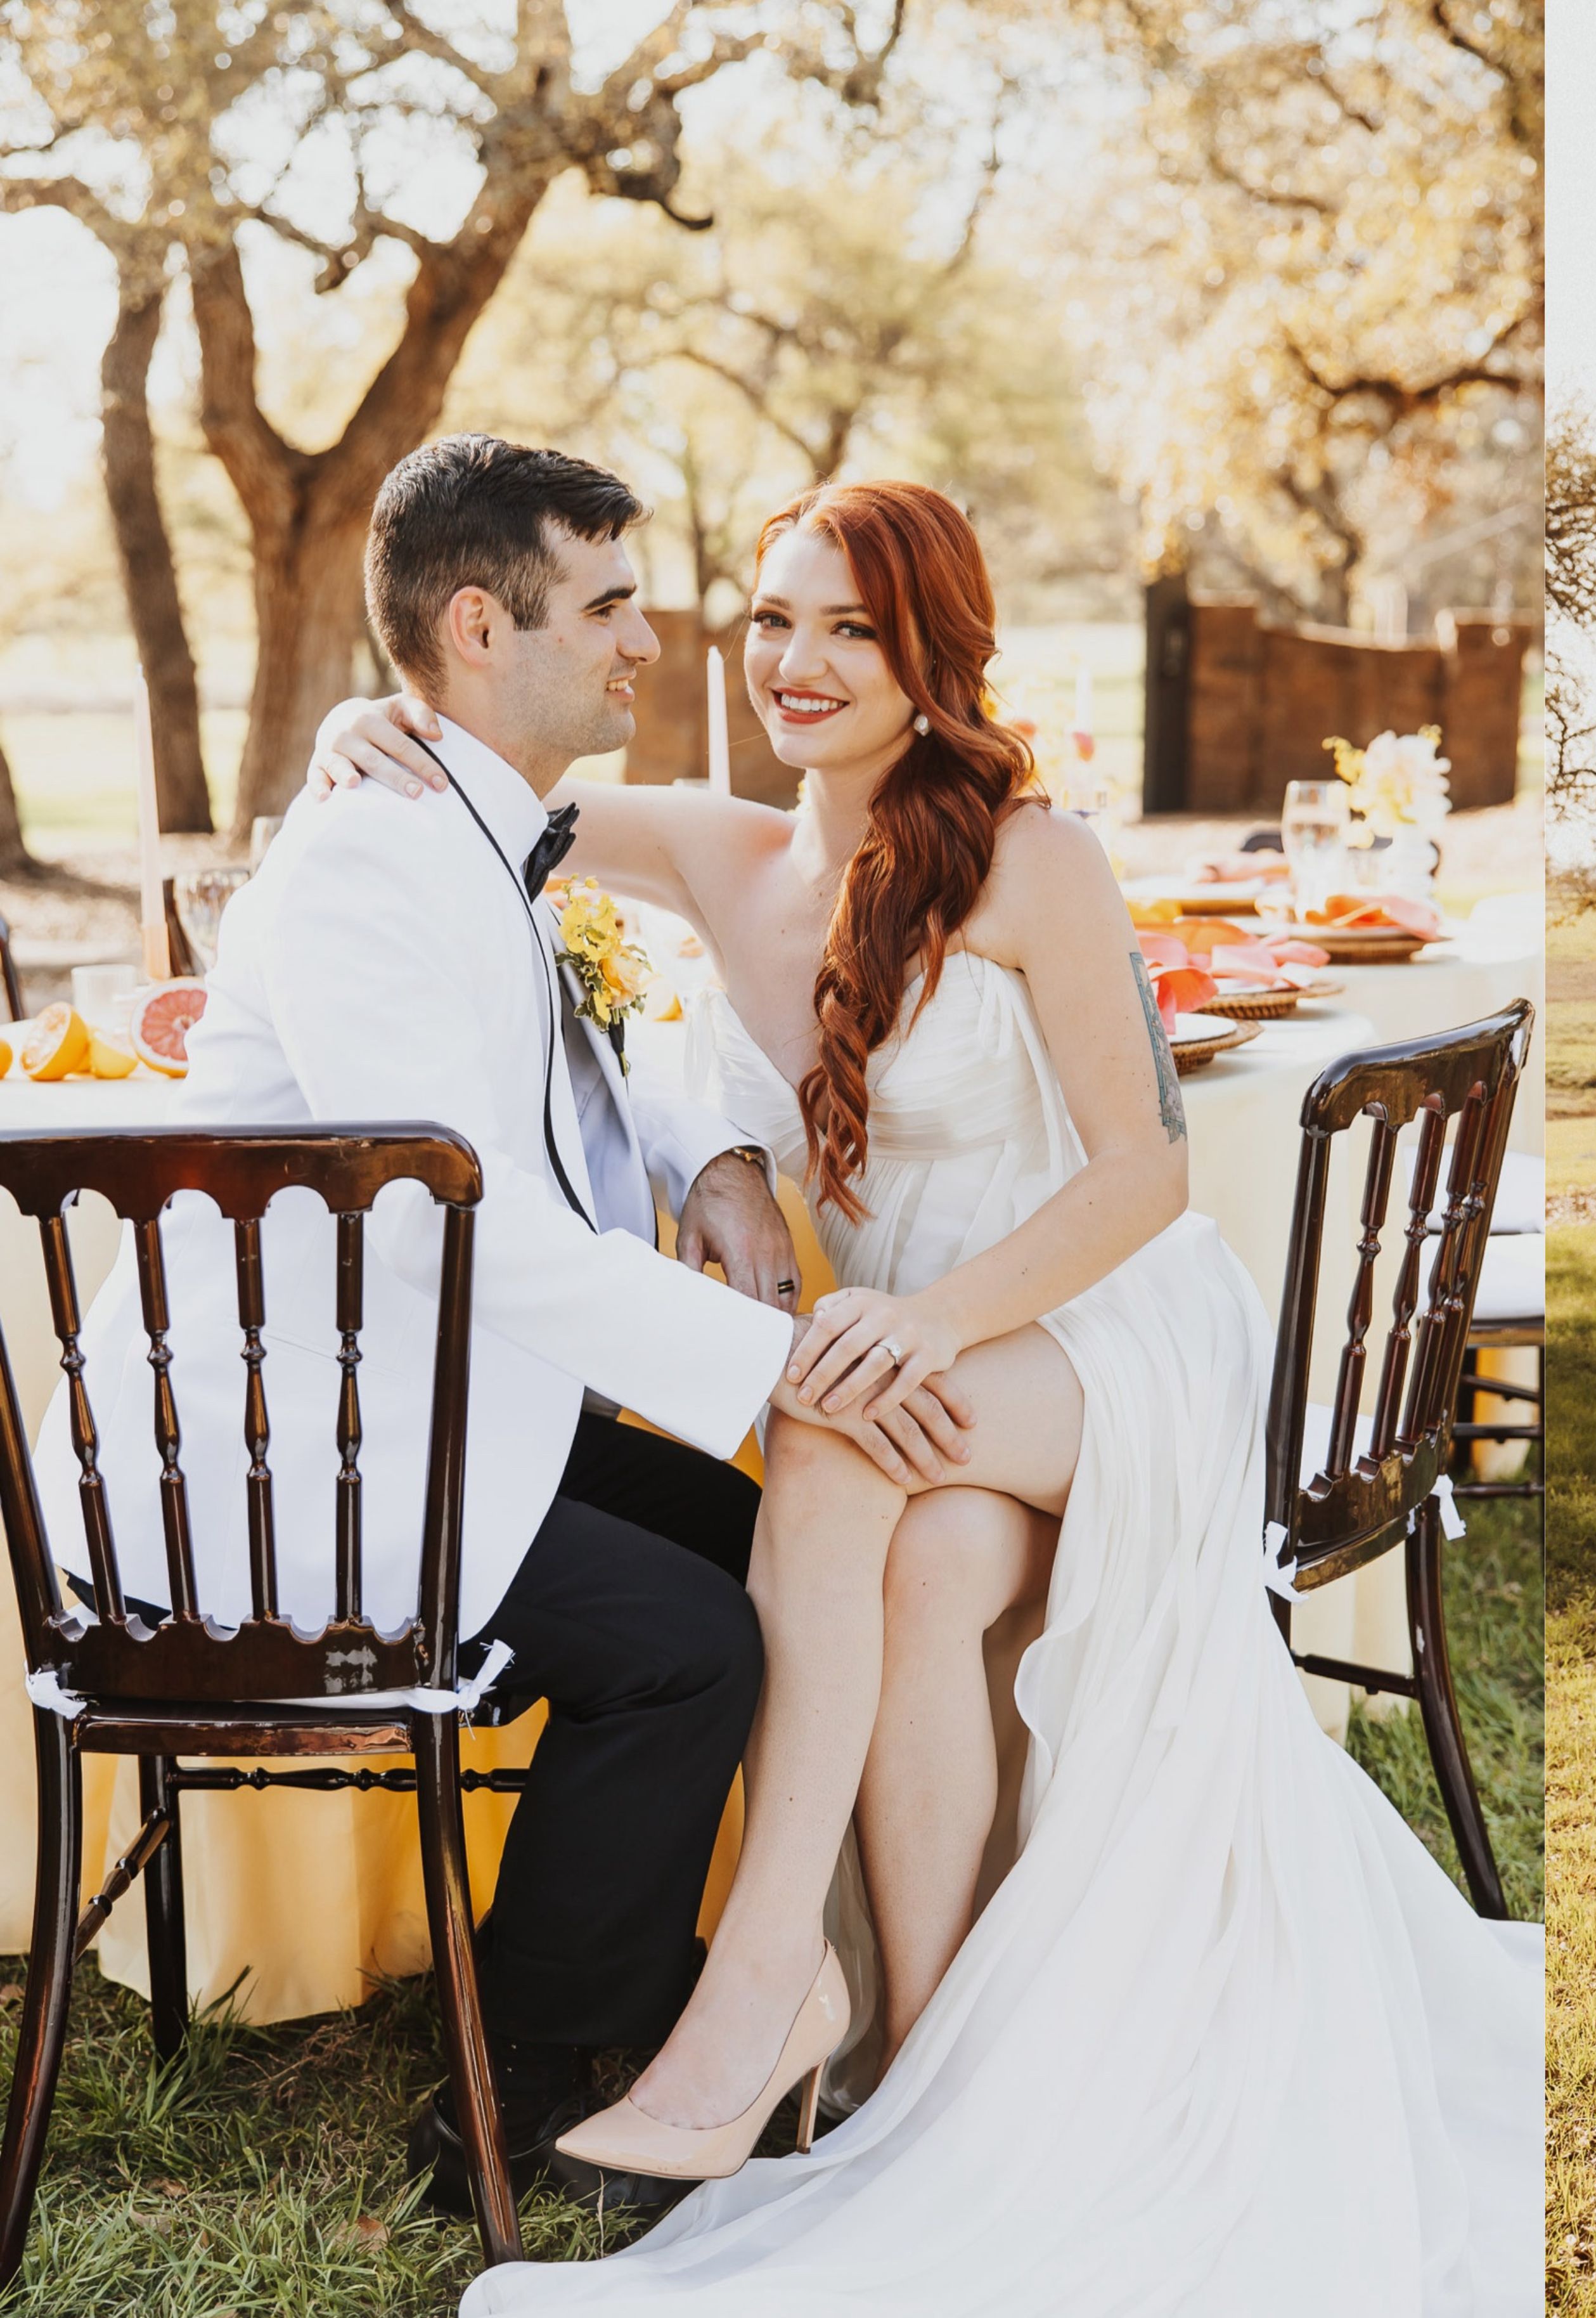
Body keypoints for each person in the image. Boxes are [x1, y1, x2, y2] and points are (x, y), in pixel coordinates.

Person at [310, 460, 1541, 2315]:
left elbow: (1146, 1178)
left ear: (934, 659)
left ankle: (765, 1997)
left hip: (1096, 1322)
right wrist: (360, 716)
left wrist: (944, 1322)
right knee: (928, 1567)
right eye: (776, 621)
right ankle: (938, 2045)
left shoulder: (1027, 857)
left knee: (819, 1445)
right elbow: (489, 759)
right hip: (915, 1357)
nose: (798, 664)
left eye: (853, 632)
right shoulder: (721, 850)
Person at [36, 436, 979, 2223]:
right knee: (694, 1639)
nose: (647, 641)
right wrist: (789, 1369)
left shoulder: (468, 821)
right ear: (481, 625)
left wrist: (707, 1159)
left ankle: (744, 1977)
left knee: (790, 1538)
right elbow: (457, 1230)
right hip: (282, 1470)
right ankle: (530, 2070)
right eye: (610, 605)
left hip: (419, 1415)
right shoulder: (378, 862)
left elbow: (555, 1072)